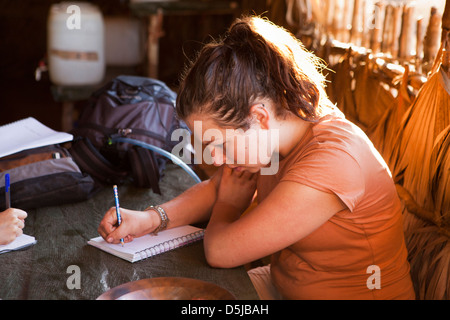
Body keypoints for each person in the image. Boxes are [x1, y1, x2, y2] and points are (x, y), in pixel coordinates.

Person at [98, 16, 415, 300]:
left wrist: (229, 206)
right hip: (280, 286)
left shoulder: (332, 163)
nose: (218, 159)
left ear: (259, 116)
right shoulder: (282, 135)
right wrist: (150, 220)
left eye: (218, 143)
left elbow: (221, 251)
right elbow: (221, 187)